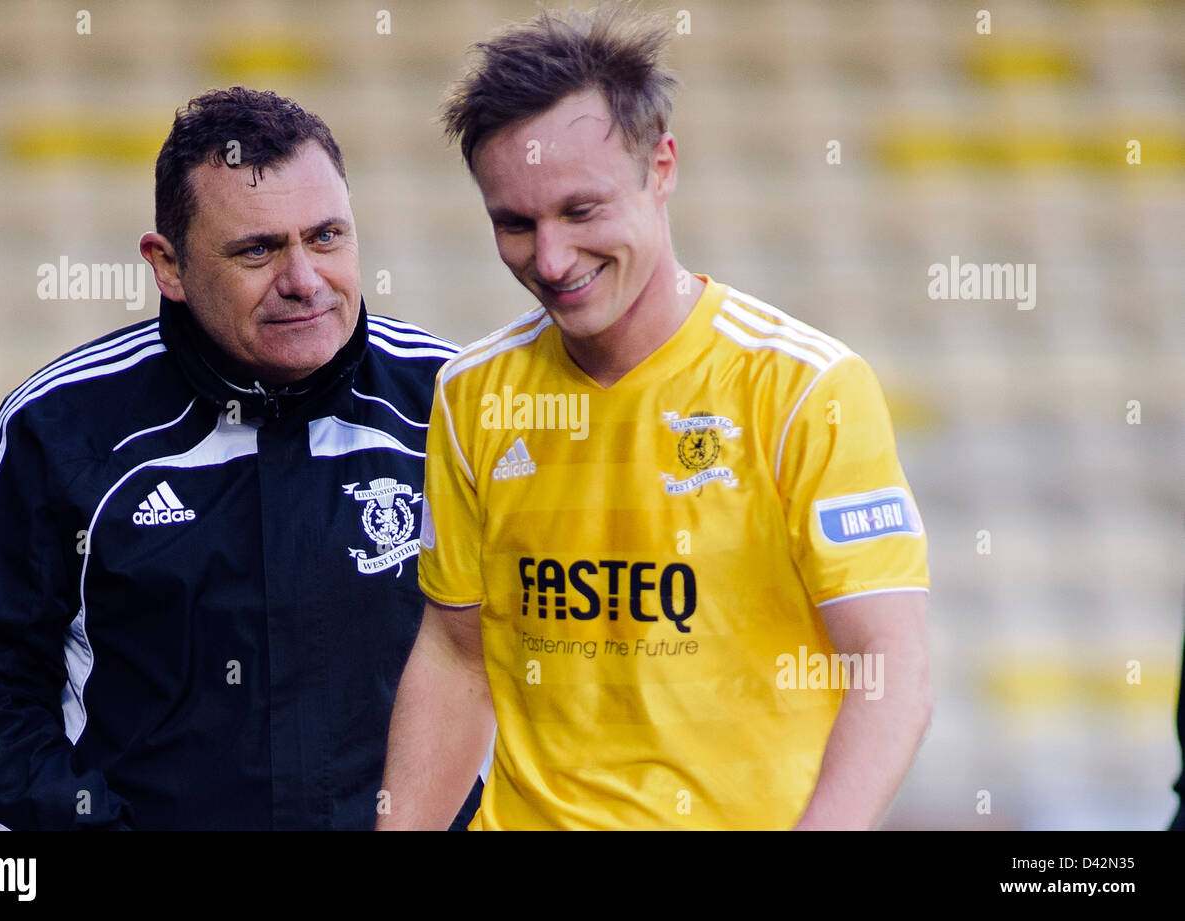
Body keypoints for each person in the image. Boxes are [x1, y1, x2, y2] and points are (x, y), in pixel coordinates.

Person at [378, 5, 931, 830]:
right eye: (515, 224)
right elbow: (458, 654)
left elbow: (889, 664)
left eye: (582, 211)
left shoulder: (805, 389)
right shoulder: (473, 394)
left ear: (661, 166)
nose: (553, 260)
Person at [0, 86, 480, 830]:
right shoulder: (64, 427)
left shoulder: (454, 407)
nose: (303, 280)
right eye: (258, 249)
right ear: (167, 265)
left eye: (327, 236)